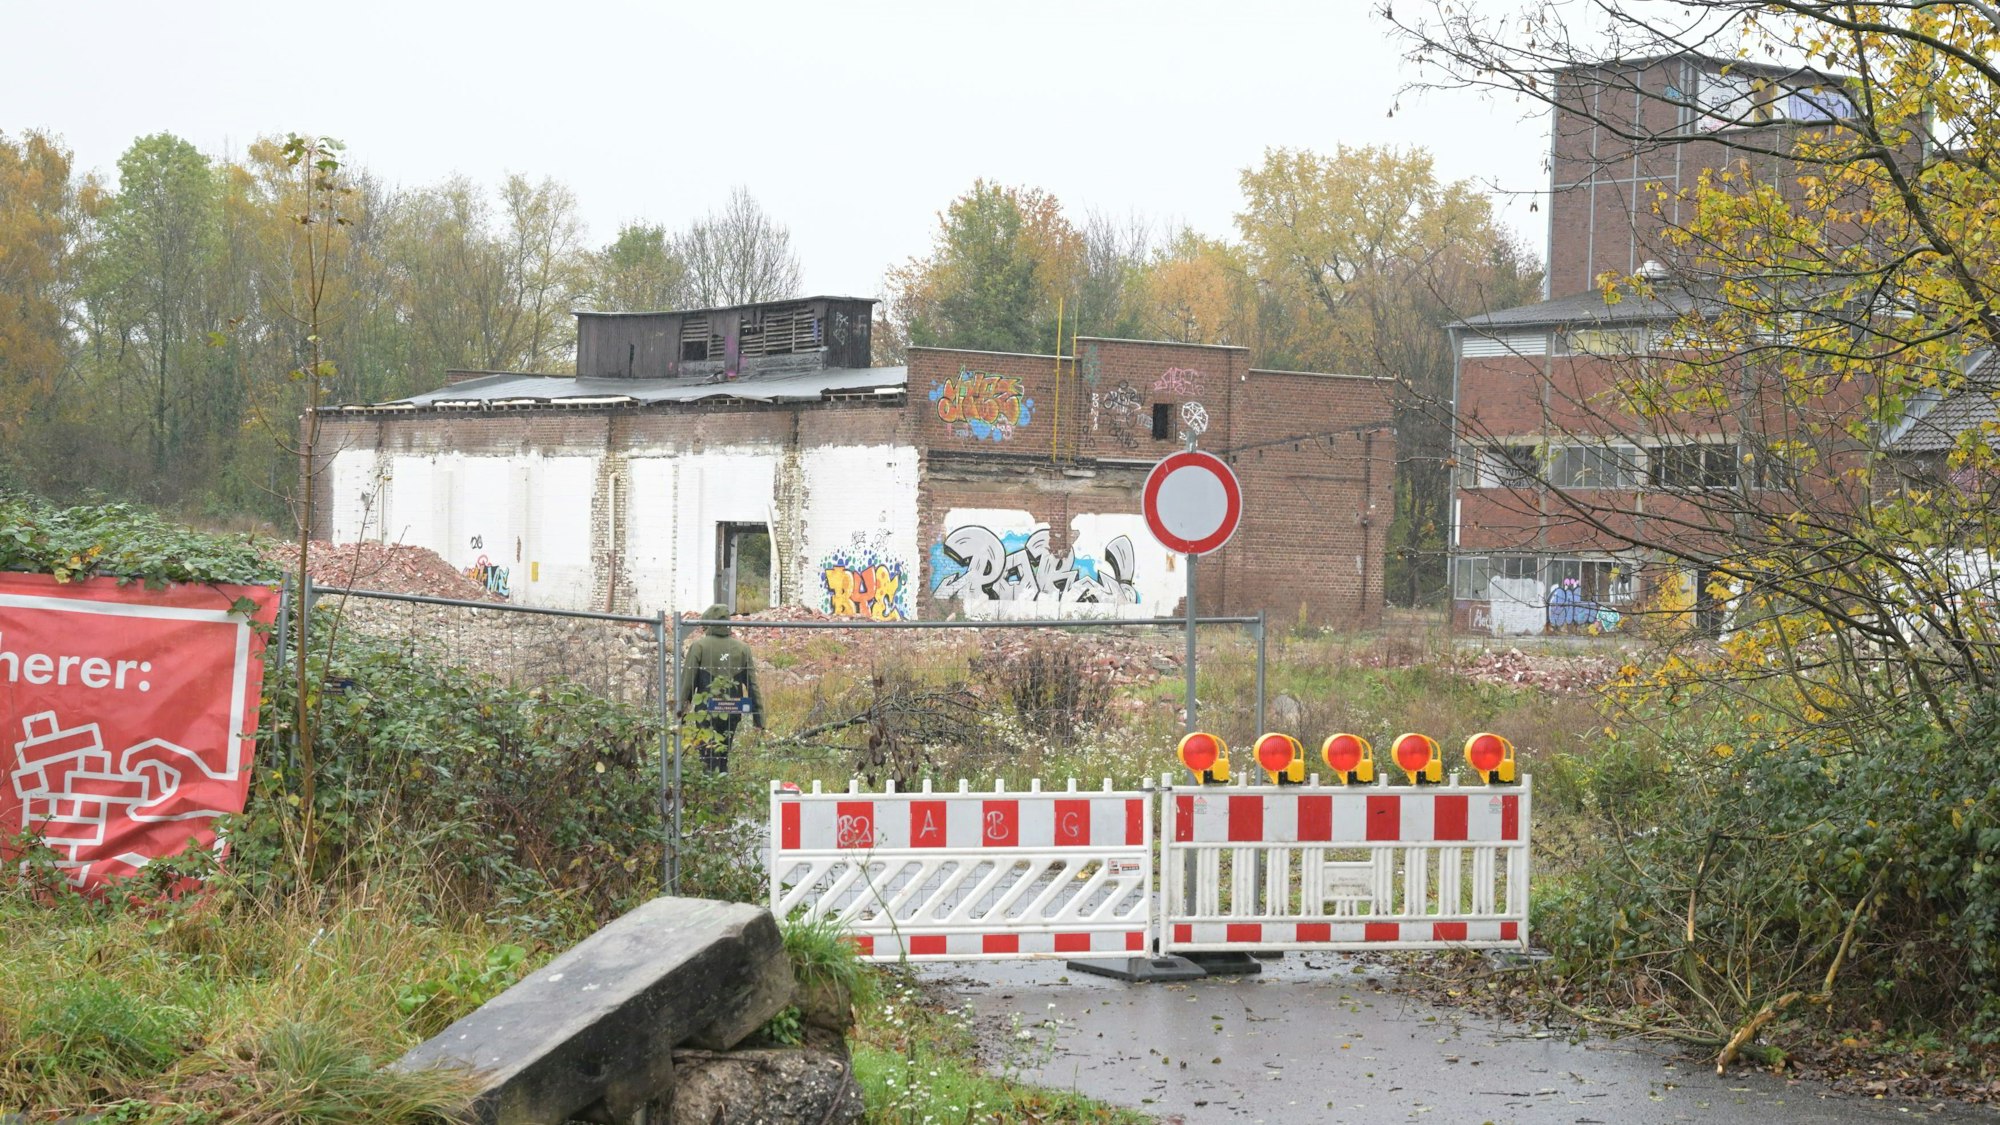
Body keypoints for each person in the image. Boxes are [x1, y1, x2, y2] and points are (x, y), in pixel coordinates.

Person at [677, 602, 764, 772]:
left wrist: (680, 714)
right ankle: (723, 788)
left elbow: (687, 683)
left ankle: (710, 790)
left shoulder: (699, 646)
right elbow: (753, 686)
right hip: (733, 711)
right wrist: (759, 719)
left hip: (705, 712)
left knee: (707, 757)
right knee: (724, 755)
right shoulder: (743, 648)